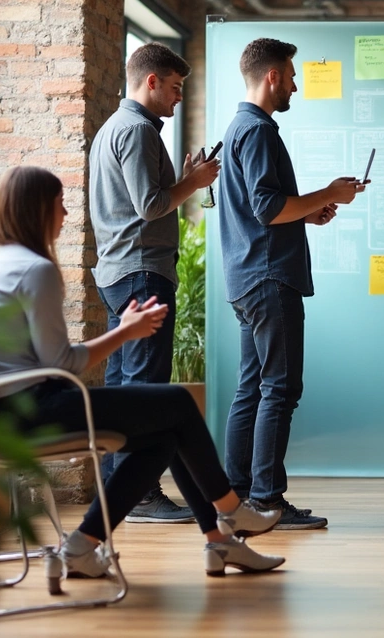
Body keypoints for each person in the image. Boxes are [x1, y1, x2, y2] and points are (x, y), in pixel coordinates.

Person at [0, 166, 284, 577]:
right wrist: (126, 332)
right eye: (59, 204)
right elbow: (62, 365)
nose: (64, 214)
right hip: (32, 410)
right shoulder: (34, 270)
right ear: (36, 210)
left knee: (164, 437)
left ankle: (215, 542)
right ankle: (230, 513)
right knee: (180, 401)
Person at [219, 38, 364, 530]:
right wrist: (330, 193)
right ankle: (267, 502)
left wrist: (311, 212)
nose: (296, 85)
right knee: (280, 388)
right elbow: (266, 208)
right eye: (292, 75)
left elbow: (271, 209)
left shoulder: (239, 127)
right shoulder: (257, 131)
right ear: (273, 76)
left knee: (251, 389)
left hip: (248, 275)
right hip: (269, 277)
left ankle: (238, 497)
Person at [88, 42, 221, 524]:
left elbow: (143, 199)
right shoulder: (140, 131)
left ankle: (113, 491)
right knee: (145, 392)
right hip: (142, 270)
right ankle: (140, 494)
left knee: (122, 387)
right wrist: (199, 179)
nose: (179, 97)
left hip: (117, 270)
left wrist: (184, 179)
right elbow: (150, 206)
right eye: (175, 87)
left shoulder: (112, 129)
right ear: (151, 82)